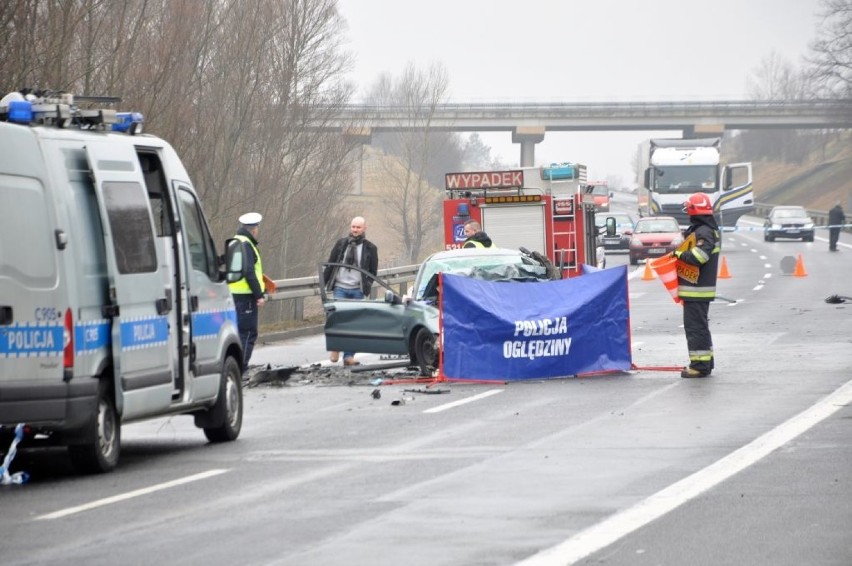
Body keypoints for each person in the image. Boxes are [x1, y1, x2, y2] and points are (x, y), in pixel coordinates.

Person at [673, 192, 720, 378]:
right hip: (696, 289)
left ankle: (699, 366)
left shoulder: (704, 232)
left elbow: (699, 257)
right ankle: (706, 363)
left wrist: (679, 255)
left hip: (697, 290)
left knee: (695, 329)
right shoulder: (704, 230)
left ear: (693, 210)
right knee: (699, 327)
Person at [323, 216, 379, 366]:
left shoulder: (370, 248)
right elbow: (330, 264)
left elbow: (373, 271)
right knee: (337, 319)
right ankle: (335, 347)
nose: (355, 230)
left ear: (364, 228)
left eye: (358, 227)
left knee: (354, 324)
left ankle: (349, 356)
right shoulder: (341, 244)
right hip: (340, 287)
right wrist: (324, 282)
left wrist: (366, 284)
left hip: (357, 290)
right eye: (353, 227)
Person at [228, 212, 266, 373]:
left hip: (232, 295)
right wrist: (259, 294)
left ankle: (232, 367)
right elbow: (249, 271)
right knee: (248, 333)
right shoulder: (248, 245)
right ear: (254, 229)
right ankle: (240, 369)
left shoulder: (235, 242)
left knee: (235, 333)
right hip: (246, 297)